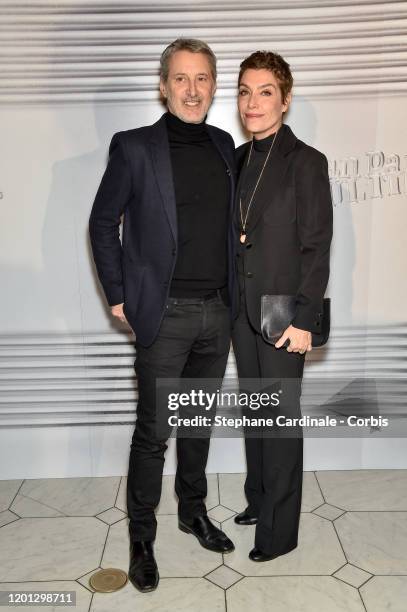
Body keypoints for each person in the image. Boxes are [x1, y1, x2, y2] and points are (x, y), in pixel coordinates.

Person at [89, 38, 237, 593]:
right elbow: (103, 223)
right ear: (163, 85)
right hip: (164, 315)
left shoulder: (226, 145)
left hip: (217, 312)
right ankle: (142, 537)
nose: (192, 90)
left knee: (198, 423)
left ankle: (193, 512)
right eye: (181, 78)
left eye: (202, 79)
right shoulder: (133, 147)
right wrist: (118, 293)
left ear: (214, 86)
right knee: (154, 432)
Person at [232, 51, 333, 561]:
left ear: (285, 99)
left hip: (282, 315)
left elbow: (317, 247)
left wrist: (305, 322)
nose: (253, 102)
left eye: (265, 91)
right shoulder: (238, 158)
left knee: (278, 423)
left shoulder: (306, 162)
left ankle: (279, 532)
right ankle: (258, 500)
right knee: (255, 416)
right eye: (245, 91)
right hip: (241, 313)